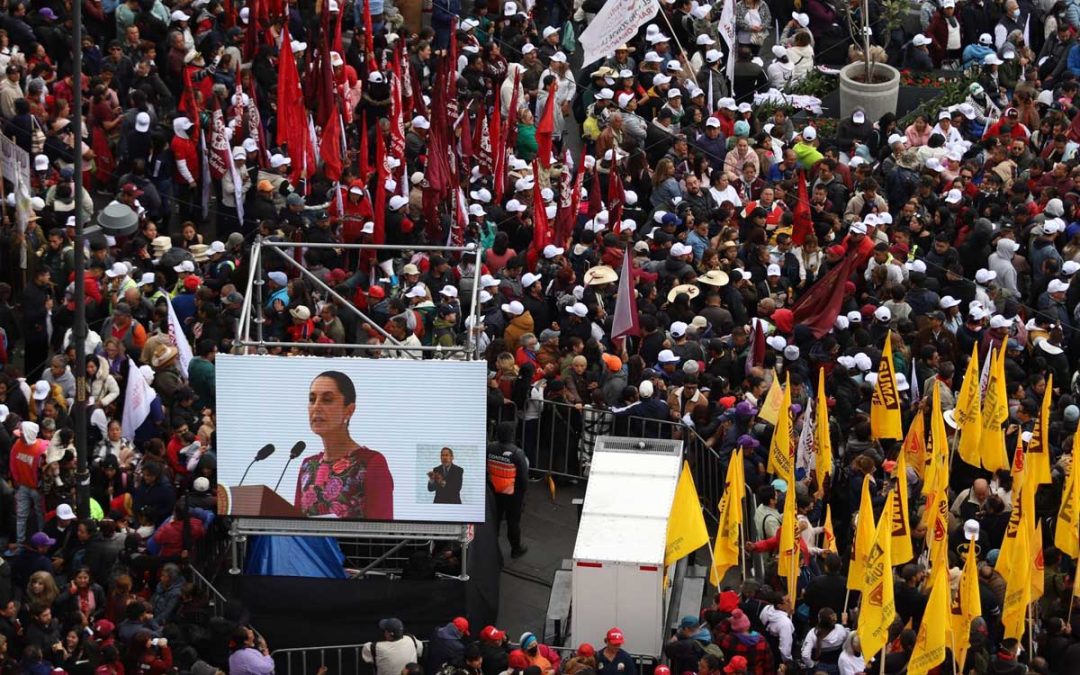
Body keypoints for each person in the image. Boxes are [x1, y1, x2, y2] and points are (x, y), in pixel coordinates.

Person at [294, 371, 394, 520]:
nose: (316, 407)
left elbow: (382, 534)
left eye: (327, 399)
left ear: (349, 410)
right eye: (312, 399)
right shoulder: (308, 466)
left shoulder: (370, 463)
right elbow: (293, 528)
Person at [487, 421, 530, 558]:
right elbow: (523, 478)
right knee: (513, 522)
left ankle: (491, 548)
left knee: (495, 520)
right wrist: (522, 496)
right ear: (511, 435)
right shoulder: (517, 453)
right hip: (512, 494)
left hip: (494, 491)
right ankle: (516, 549)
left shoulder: (490, 448)